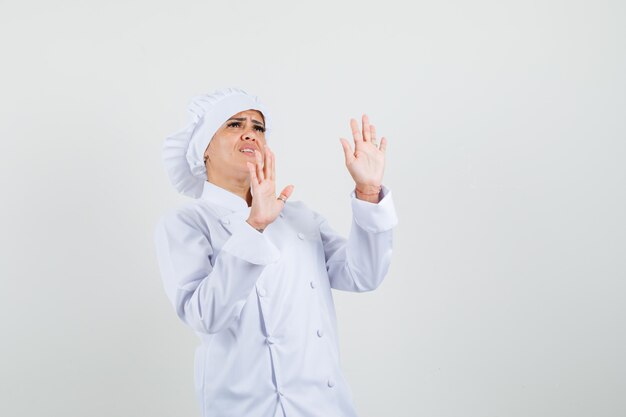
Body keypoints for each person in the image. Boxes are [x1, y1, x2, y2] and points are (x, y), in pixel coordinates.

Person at [154, 87, 398, 417]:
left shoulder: (297, 215)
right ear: (203, 150)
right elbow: (205, 315)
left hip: (324, 407)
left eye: (258, 127)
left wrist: (368, 191)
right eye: (234, 125)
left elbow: (363, 274)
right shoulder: (187, 223)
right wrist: (253, 227)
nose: (250, 134)